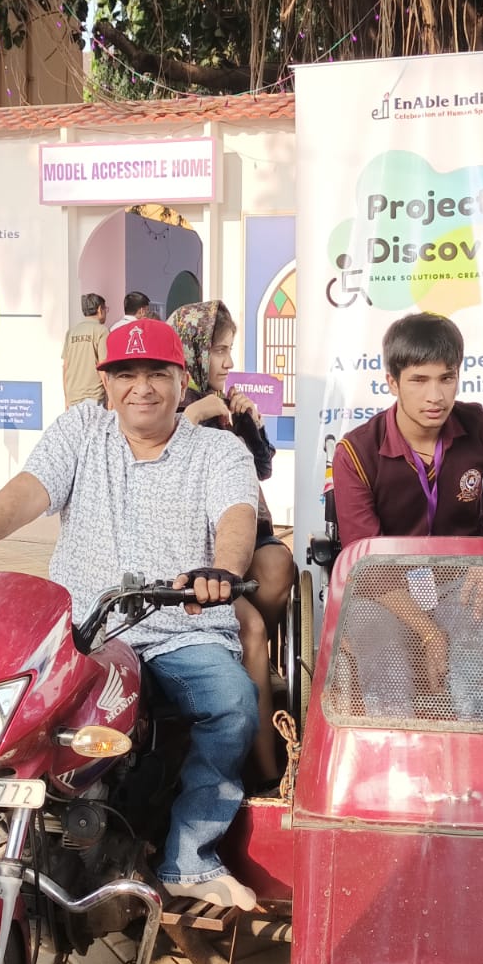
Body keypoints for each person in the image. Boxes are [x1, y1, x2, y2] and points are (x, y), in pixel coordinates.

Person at [0, 317, 263, 911]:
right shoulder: (82, 429)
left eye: (156, 374)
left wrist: (221, 571)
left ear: (181, 379)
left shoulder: (218, 451)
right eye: (126, 374)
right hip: (85, 631)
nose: (142, 388)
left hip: (179, 627)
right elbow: (23, 495)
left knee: (231, 704)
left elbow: (237, 516)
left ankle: (190, 855)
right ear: (106, 383)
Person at [331, 313, 483, 714]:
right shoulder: (356, 452)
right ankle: (394, 753)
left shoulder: (481, 427)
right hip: (384, 593)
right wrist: (429, 632)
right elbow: (368, 569)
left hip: (462, 583)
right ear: (392, 383)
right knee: (387, 669)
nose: (435, 396)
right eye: (419, 380)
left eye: (446, 378)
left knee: (480, 669)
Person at [170, 299, 294, 785]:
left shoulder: (225, 402)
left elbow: (260, 470)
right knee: (251, 629)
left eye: (229, 350)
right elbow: (156, 472)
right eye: (218, 350)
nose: (227, 361)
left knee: (278, 569)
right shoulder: (169, 406)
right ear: (193, 351)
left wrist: (251, 424)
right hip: (192, 542)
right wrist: (191, 418)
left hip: (245, 528)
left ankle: (255, 667)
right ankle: (266, 768)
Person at [61, 293, 108, 408]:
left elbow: (65, 367)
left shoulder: (71, 332)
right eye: (105, 309)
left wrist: (66, 398)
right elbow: (103, 367)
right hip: (94, 396)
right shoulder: (101, 331)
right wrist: (111, 395)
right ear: (99, 309)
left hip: (73, 396)